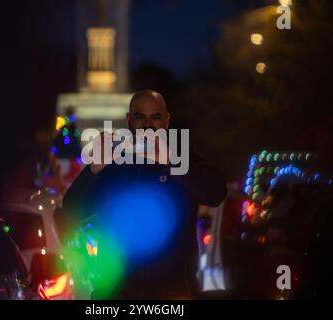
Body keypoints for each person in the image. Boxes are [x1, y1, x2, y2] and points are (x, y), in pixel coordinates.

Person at [60, 90, 227, 299]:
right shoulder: (115, 162)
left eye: (155, 117)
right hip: (116, 293)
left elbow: (216, 193)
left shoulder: (182, 158)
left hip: (172, 293)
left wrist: (172, 162)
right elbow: (72, 210)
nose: (148, 125)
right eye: (140, 117)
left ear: (166, 121)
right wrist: (93, 170)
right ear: (129, 120)